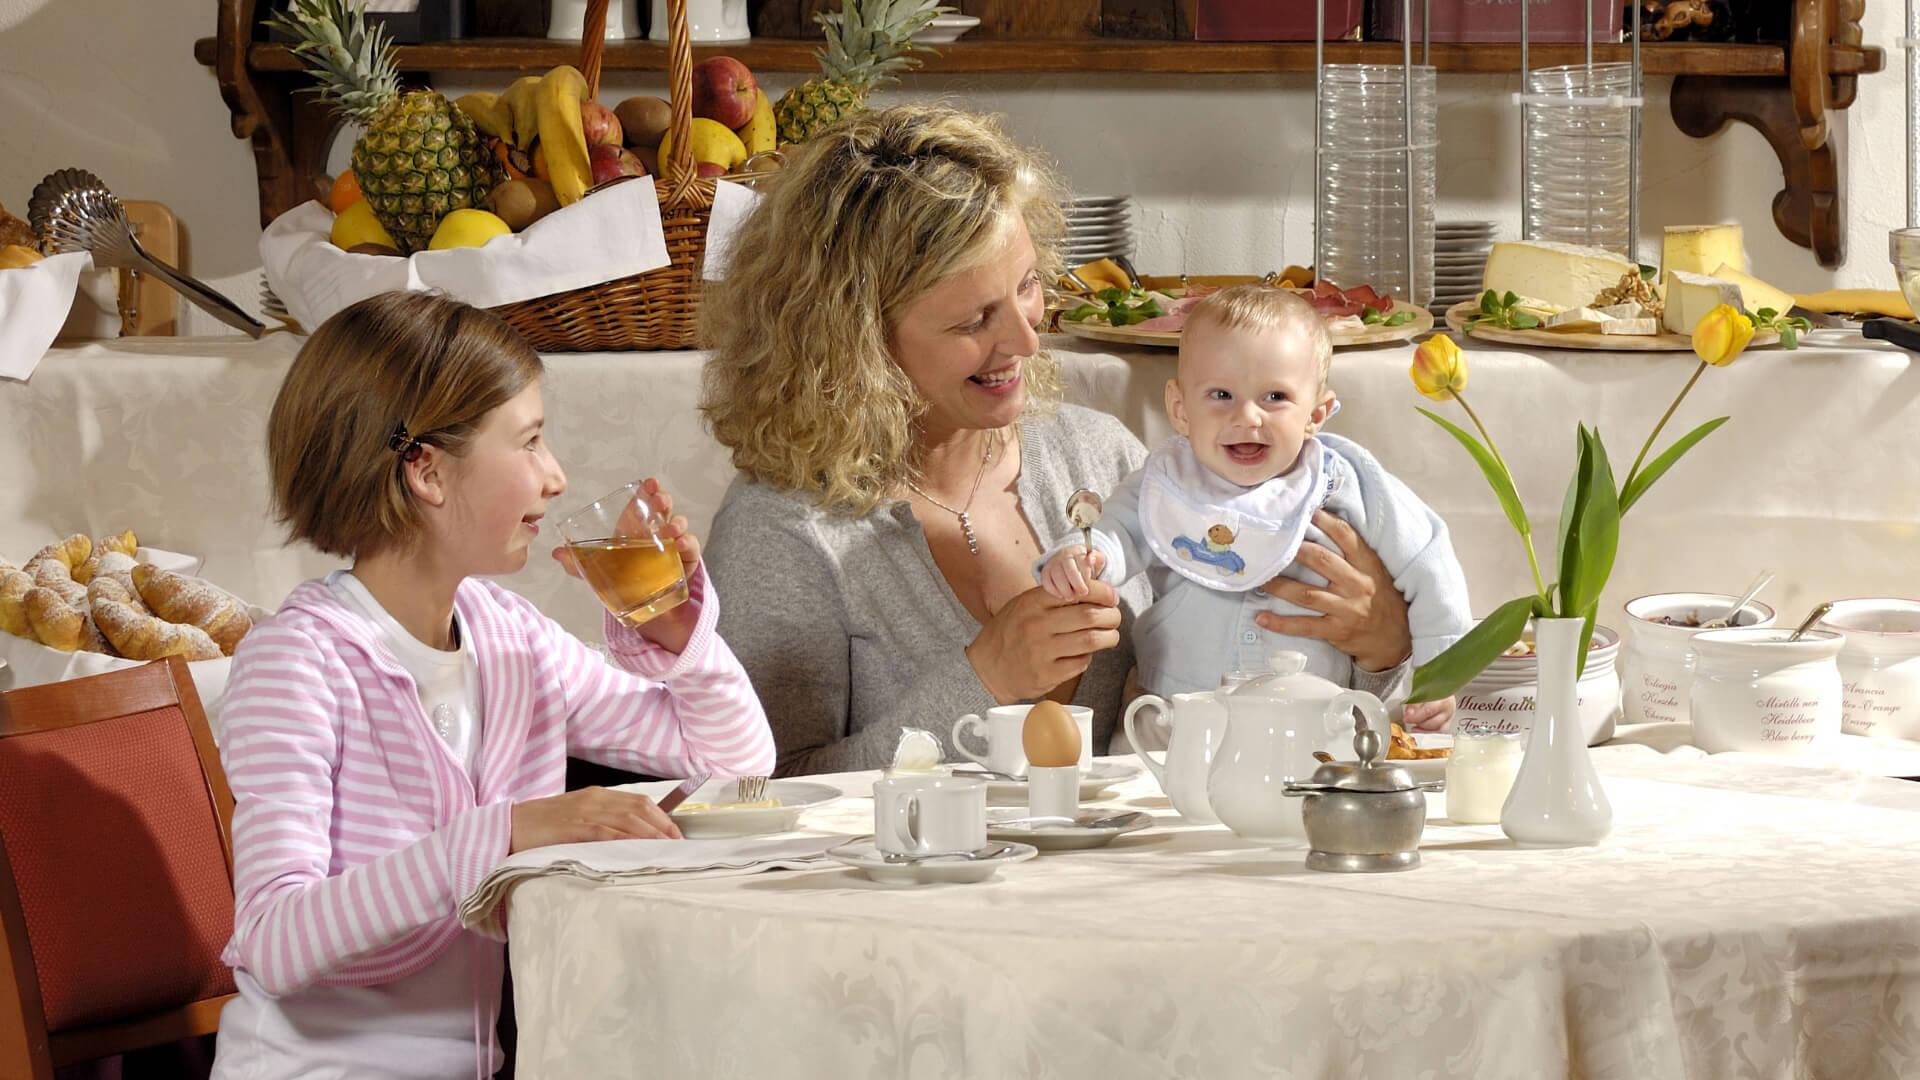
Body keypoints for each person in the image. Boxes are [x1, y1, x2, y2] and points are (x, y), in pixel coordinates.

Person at [700, 103, 1427, 778]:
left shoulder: (1095, 456)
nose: (1024, 337)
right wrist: (982, 682)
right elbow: (759, 797)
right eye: (972, 320)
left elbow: (1239, 680)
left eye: (1025, 287)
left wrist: (1383, 650)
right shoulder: (783, 532)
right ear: (853, 340)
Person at [212, 292, 773, 1079]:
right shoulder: (296, 663)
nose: (556, 477)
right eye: (531, 442)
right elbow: (274, 941)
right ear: (427, 471)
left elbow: (737, 766)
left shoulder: (513, 640)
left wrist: (677, 636)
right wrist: (507, 834)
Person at [1037, 284, 1468, 722]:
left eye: (1275, 397)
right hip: (1175, 715)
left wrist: (1441, 673)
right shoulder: (1167, 482)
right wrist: (1080, 557)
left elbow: (1429, 561)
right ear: (1180, 409)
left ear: (1317, 414)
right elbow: (1115, 532)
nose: (1247, 417)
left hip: (1310, 721)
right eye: (1221, 395)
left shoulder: (1346, 483)